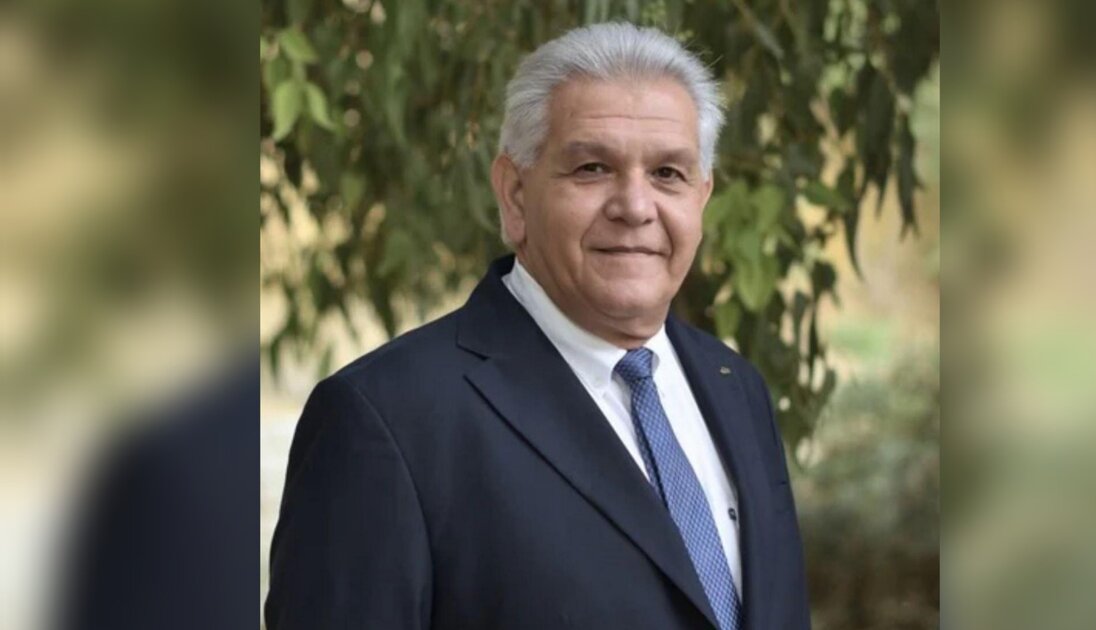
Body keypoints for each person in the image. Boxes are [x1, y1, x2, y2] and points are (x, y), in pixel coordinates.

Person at [265, 22, 810, 630]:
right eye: (593, 168)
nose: (635, 207)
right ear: (515, 195)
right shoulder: (387, 420)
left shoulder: (737, 387)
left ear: (701, 197)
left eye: (667, 174)